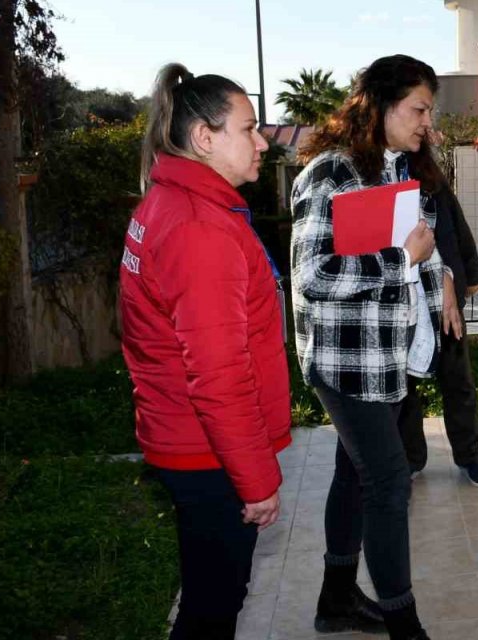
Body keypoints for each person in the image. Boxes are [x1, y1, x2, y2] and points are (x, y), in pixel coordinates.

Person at [120, 63, 290, 640]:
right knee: (214, 606)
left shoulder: (173, 202)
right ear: (204, 138)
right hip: (206, 452)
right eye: (248, 128)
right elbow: (218, 375)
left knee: (210, 596)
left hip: (187, 439)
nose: (262, 140)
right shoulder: (199, 227)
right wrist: (256, 479)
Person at [291, 54, 452, 640]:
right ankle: (403, 623)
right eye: (419, 109)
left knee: (355, 475)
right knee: (389, 480)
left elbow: (419, 262)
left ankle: (335, 602)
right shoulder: (330, 173)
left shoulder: (402, 174)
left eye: (429, 111)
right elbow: (312, 275)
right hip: (343, 361)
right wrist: (398, 260)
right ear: (381, 105)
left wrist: (441, 284)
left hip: (389, 359)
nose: (426, 123)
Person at [397, 161, 478, 487]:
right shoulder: (377, 182)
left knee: (458, 381)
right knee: (404, 388)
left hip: (445, 303)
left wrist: (471, 270)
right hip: (401, 304)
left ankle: (470, 456)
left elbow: (457, 226)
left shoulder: (431, 179)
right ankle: (411, 459)